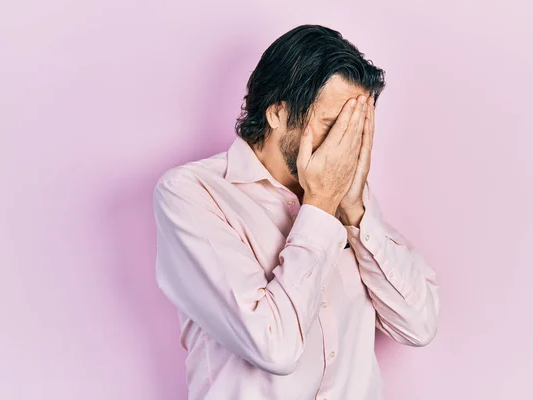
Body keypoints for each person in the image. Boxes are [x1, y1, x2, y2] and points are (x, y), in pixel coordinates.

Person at [153, 24, 439, 400]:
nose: (344, 144)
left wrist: (354, 213)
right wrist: (320, 206)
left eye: (356, 128)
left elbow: (418, 326)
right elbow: (274, 347)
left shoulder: (348, 197)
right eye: (332, 124)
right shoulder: (193, 194)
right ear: (276, 113)